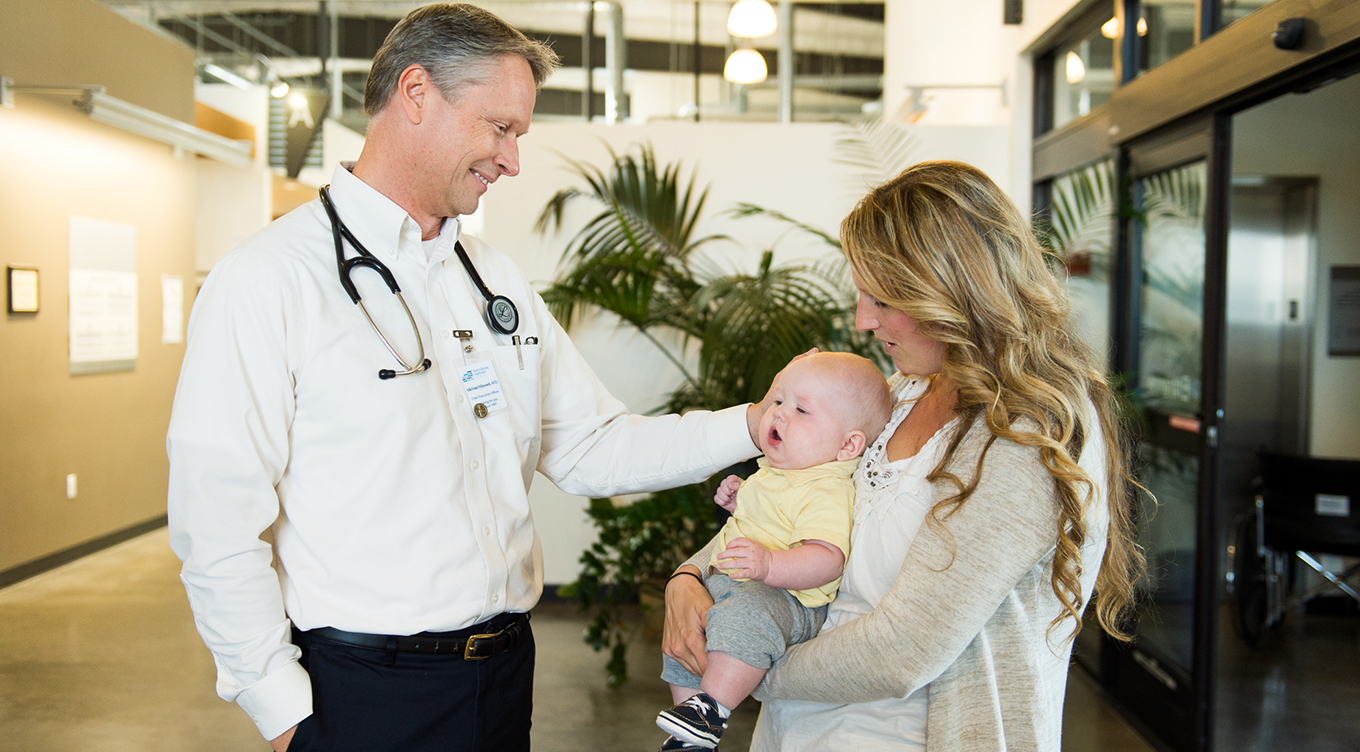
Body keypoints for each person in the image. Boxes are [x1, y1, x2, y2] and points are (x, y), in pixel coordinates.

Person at [166, 6, 766, 752]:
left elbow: (590, 447)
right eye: (501, 128)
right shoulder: (267, 282)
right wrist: (282, 712)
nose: (512, 160)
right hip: (360, 695)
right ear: (416, 93)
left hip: (502, 677)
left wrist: (756, 423)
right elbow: (215, 525)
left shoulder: (492, 282)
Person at [663, 160, 1144, 752]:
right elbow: (792, 499)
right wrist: (691, 576)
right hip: (802, 730)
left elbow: (904, 651)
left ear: (952, 291)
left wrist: (737, 670)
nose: (864, 321)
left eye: (883, 300)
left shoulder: (1030, 430)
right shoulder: (904, 389)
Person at [654, 353, 891, 751]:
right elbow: (771, 519)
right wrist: (740, 502)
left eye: (801, 410)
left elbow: (827, 558)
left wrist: (769, 564)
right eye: (778, 401)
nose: (779, 414)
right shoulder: (783, 471)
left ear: (848, 444)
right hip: (735, 584)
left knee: (742, 621)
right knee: (688, 631)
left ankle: (711, 709)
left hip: (785, 599)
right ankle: (688, 729)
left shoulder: (825, 489)